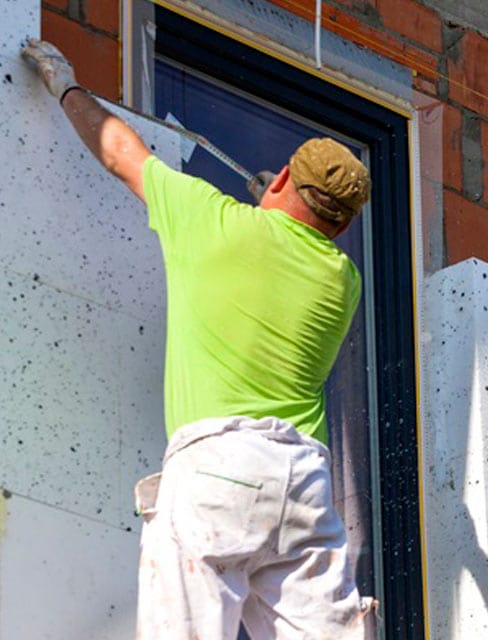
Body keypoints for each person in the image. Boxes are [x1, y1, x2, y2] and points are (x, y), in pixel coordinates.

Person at [22, 39, 376, 639]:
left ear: (284, 177)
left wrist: (65, 83)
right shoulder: (344, 281)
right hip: (304, 488)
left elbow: (120, 151)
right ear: (343, 224)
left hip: (220, 470)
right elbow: (286, 249)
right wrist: (265, 210)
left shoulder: (206, 219)